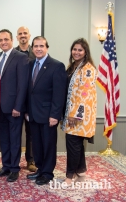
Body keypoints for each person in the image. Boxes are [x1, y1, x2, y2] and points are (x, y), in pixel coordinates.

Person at [26, 36, 67, 185]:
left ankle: (47, 173)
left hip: (49, 115)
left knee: (48, 145)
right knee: (36, 144)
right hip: (33, 114)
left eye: (41, 46)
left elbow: (59, 93)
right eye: (35, 46)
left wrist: (55, 115)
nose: (38, 49)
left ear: (47, 48)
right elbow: (29, 90)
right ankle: (40, 169)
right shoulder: (30, 64)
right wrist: (27, 111)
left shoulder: (56, 66)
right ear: (32, 48)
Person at [0, 29, 29, 182]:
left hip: (14, 108)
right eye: (0, 40)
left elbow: (23, 85)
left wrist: (18, 107)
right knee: (4, 138)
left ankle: (14, 168)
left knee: (14, 139)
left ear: (12, 40)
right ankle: (6, 166)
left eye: (6, 39)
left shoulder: (21, 57)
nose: (3, 42)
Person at [61, 38, 97, 186]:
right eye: (74, 49)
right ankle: (81, 173)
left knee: (73, 146)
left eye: (80, 50)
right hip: (71, 114)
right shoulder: (73, 67)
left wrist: (75, 115)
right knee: (76, 146)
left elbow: (85, 95)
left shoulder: (87, 69)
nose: (76, 52)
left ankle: (69, 177)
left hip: (78, 117)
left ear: (85, 52)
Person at [14, 26, 37, 172]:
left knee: (31, 133)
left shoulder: (36, 53)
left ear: (29, 36)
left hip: (31, 101)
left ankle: (31, 161)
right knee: (15, 133)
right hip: (15, 101)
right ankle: (13, 162)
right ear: (17, 37)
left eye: (25, 33)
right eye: (20, 34)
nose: (23, 36)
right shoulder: (13, 54)